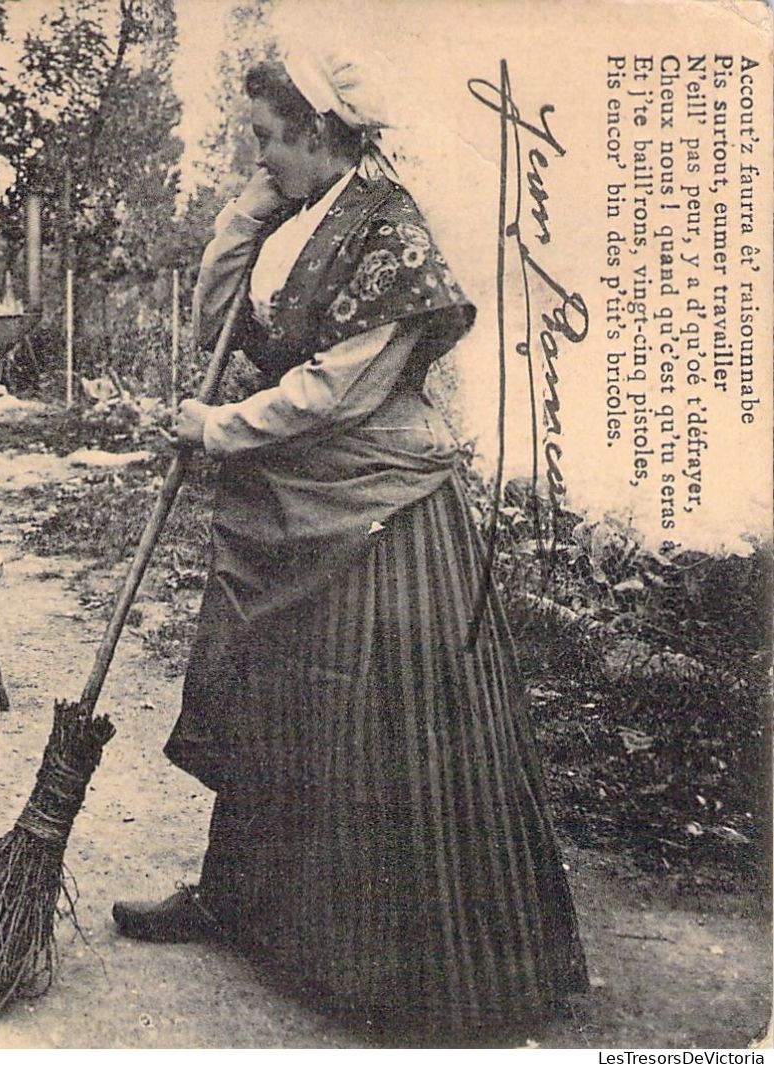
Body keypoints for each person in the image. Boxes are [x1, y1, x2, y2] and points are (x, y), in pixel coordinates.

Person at [110, 54, 590, 1032]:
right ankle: (237, 899)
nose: (257, 156)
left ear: (318, 132)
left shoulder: (390, 233)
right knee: (274, 703)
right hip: (298, 500)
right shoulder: (305, 222)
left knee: (375, 735)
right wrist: (247, 207)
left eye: (264, 137)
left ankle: (401, 964)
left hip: (381, 518)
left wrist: (214, 431)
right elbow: (223, 327)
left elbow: (338, 389)